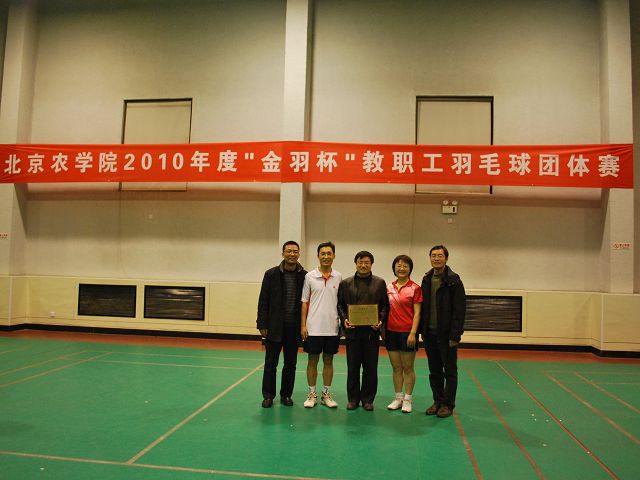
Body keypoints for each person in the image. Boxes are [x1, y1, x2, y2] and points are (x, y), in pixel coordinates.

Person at [257, 240, 307, 408]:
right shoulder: (271, 274)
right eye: (289, 251)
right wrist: (262, 324)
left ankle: (286, 395)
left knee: (290, 365)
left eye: (295, 251)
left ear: (299, 254)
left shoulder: (305, 276)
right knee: (271, 364)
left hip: (294, 328)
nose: (292, 254)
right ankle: (268, 396)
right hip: (274, 327)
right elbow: (263, 301)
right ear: (283, 253)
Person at [338, 251, 389, 411]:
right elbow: (340, 305)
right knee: (352, 368)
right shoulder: (345, 283)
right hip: (352, 333)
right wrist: (344, 319)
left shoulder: (379, 283)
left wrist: (380, 320)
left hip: (371, 334)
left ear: (371, 264)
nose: (363, 265)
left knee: (370, 368)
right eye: (360, 262)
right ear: (356, 263)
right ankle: (353, 399)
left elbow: (385, 305)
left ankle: (367, 400)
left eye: (367, 262)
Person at [419, 245, 466, 418]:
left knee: (450, 371)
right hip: (430, 334)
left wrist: (455, 335)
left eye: (440, 256)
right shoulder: (426, 279)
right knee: (435, 371)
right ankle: (437, 401)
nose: (436, 258)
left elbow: (460, 310)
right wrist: (422, 330)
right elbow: (423, 307)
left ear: (446, 258)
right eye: (433, 255)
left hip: (447, 336)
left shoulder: (454, 281)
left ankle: (448, 404)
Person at [301, 241, 342, 408]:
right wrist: (303, 326)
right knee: (312, 361)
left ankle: (326, 394)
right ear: (318, 256)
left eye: (329, 253)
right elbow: (304, 302)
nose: (326, 256)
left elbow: (341, 303)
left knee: (328, 361)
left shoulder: (339, 277)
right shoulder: (309, 276)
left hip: (332, 328)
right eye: (322, 254)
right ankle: (312, 395)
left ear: (334, 256)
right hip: (313, 328)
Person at [385, 255, 423, 413]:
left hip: (407, 333)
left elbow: (417, 313)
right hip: (391, 332)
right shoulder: (388, 287)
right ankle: (398, 398)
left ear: (410, 269)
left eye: (405, 266)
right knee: (396, 367)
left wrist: (413, 333)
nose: (401, 268)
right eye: (398, 265)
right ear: (394, 268)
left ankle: (408, 399)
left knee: (408, 367)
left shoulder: (415, 288)